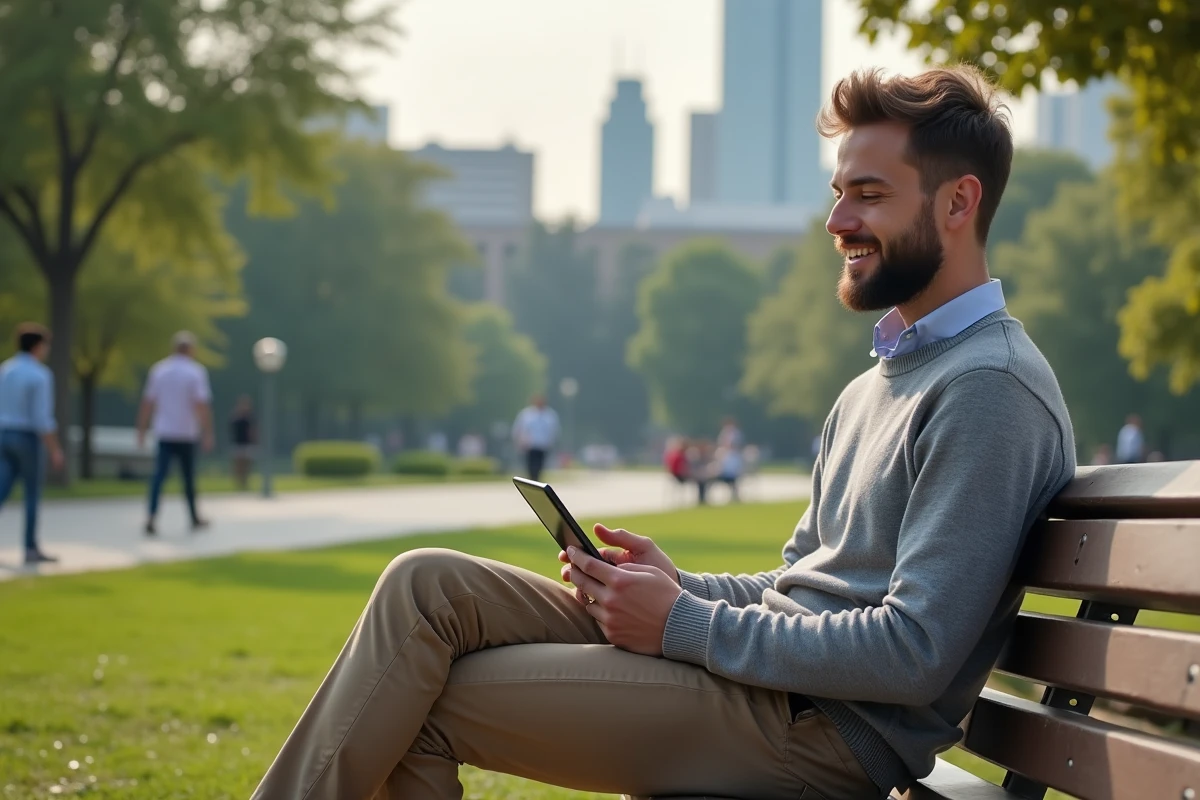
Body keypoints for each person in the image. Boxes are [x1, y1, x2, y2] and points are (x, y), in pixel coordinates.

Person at [251, 65, 1077, 800]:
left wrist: (684, 624)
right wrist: (682, 588)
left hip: (819, 734)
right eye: (838, 192)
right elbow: (799, 583)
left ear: (958, 201)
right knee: (425, 585)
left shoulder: (987, 390)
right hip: (764, 686)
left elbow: (913, 651)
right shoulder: (881, 379)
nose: (836, 220)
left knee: (418, 700)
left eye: (868, 194)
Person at [0, 323, 65, 564]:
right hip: (27, 437)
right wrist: (55, 449)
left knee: (2, 489)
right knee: (31, 494)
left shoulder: (6, 370)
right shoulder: (40, 375)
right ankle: (30, 548)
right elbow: (41, 418)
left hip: (4, 434)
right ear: (38, 346)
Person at [137, 331, 214, 535]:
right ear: (190, 349)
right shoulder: (195, 372)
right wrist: (207, 431)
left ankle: (151, 516)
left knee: (159, 476)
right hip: (186, 432)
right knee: (188, 478)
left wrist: (141, 430)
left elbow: (148, 403)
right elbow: (201, 405)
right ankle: (193, 516)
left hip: (164, 431)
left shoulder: (160, 370)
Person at [511, 393, 559, 482]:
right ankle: (532, 479)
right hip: (529, 445)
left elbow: (553, 430)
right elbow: (518, 428)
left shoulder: (549, 415)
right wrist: (518, 441)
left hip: (543, 445)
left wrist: (551, 442)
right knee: (530, 466)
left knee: (539, 466)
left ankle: (537, 479)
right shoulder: (526, 414)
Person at [230, 395, 256, 491]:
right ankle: (238, 482)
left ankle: (245, 481)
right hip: (238, 443)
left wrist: (254, 441)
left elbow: (253, 431)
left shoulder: (250, 418)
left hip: (247, 444)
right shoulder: (236, 418)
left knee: (247, 463)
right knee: (238, 464)